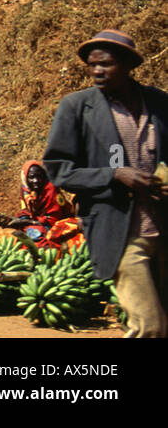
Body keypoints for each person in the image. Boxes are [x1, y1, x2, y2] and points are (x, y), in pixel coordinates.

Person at [43, 29, 168, 337]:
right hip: (120, 229)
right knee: (149, 326)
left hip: (163, 224)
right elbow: (59, 170)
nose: (97, 71)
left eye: (106, 63)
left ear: (128, 65)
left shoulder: (158, 103)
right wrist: (114, 174)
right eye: (92, 64)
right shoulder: (77, 107)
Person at [0, 161, 81, 250]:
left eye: (39, 176)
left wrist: (27, 222)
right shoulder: (26, 190)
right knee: (23, 230)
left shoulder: (51, 190)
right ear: (25, 178)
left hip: (57, 220)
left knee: (36, 236)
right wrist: (16, 221)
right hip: (39, 219)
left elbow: (53, 219)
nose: (36, 181)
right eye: (31, 177)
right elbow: (26, 210)